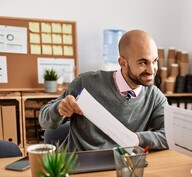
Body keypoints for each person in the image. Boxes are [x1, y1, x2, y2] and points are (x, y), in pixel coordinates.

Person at [39, 29, 168, 151]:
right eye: (143, 63)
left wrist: (137, 138)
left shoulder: (154, 97)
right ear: (123, 63)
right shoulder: (86, 82)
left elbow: (170, 136)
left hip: (120, 165)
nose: (151, 70)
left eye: (155, 61)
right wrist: (58, 109)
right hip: (77, 162)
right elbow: (44, 121)